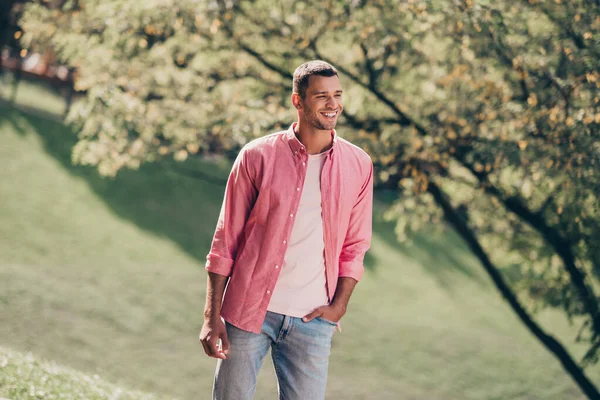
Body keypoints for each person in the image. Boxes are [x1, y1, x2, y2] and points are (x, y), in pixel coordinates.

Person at [199, 60, 373, 400]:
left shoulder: (358, 164)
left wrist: (339, 306)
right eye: (321, 96)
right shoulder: (257, 156)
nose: (332, 104)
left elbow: (355, 246)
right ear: (298, 101)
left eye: (337, 95)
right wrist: (211, 315)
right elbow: (225, 241)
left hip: (313, 322)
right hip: (248, 312)